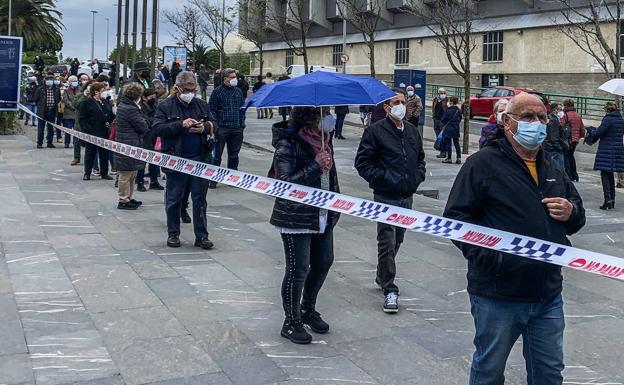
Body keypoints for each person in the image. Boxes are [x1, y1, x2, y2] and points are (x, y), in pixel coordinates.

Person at [444, 93, 586, 385]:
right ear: (507, 122)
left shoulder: (551, 165)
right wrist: (492, 257)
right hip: (497, 293)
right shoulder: (482, 164)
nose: (536, 123)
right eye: (527, 117)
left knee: (549, 371)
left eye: (541, 117)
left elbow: (578, 215)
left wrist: (571, 212)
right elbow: (456, 220)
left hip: (547, 292)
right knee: (489, 371)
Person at [270, 107, 340, 344]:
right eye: (324, 113)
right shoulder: (288, 144)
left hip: (322, 214)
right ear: (309, 117)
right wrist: (315, 165)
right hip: (296, 217)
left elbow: (331, 177)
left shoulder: (325, 140)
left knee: (323, 263)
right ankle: (291, 321)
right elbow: (284, 184)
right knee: (298, 268)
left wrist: (336, 205)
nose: (329, 117)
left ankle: (307, 309)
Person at [354, 88, 426, 313]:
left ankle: (381, 273)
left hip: (407, 195)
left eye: (403, 101)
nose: (401, 106)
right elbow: (363, 163)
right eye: (396, 102)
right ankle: (389, 287)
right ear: (386, 107)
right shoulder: (375, 131)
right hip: (386, 196)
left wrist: (417, 177)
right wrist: (385, 179)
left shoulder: (412, 131)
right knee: (386, 240)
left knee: (398, 240)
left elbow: (420, 159)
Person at [153, 71, 216, 249]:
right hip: (176, 159)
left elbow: (214, 123)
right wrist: (180, 125)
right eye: (187, 89)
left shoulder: (201, 105)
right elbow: (157, 129)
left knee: (200, 199)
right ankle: (173, 234)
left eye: (193, 89)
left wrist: (204, 127)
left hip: (199, 158)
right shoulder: (165, 105)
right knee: (174, 199)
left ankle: (202, 236)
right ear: (178, 88)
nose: (191, 92)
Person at [114, 83, 150, 210]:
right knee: (126, 173)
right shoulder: (131, 109)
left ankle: (128, 197)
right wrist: (145, 120)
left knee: (131, 173)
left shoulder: (124, 105)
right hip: (129, 143)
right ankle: (123, 199)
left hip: (129, 141)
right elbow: (143, 126)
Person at [208, 68, 246, 188]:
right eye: (232, 77)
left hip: (236, 128)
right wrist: (216, 126)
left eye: (235, 77)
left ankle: (232, 178)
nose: (235, 79)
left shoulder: (238, 92)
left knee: (234, 155)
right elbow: (212, 110)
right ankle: (213, 179)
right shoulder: (217, 92)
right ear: (225, 79)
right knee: (216, 155)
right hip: (222, 128)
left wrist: (241, 124)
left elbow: (242, 109)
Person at [591, 102, 624, 210]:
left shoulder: (608, 119)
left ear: (607, 110)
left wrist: (591, 130)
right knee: (610, 174)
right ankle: (612, 200)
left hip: (606, 149)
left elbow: (598, 133)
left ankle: (607, 201)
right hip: (618, 149)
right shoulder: (620, 119)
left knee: (605, 174)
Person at [79, 81, 114, 181]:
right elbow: (82, 118)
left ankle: (104, 172)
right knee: (90, 153)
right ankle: (87, 173)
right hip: (92, 132)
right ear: (96, 92)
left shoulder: (105, 101)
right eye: (103, 90)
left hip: (104, 131)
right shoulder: (87, 102)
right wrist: (87, 129)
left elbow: (110, 115)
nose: (104, 92)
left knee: (104, 153)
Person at [136, 88, 164, 191]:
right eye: (150, 97)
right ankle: (140, 182)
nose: (153, 98)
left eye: (154, 96)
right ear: (144, 98)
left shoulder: (155, 107)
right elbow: (146, 122)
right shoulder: (140, 108)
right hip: (145, 137)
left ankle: (154, 181)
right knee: (142, 161)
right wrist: (155, 121)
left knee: (155, 160)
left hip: (155, 136)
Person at [33, 72, 61, 149]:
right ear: (45, 80)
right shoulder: (40, 89)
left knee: (51, 128)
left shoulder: (57, 90)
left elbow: (58, 100)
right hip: (42, 111)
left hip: (52, 110)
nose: (50, 81)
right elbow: (36, 99)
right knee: (41, 128)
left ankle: (49, 142)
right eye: (48, 79)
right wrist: (40, 107)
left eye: (51, 79)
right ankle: (39, 143)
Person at [560, 99, 585, 182]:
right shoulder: (577, 115)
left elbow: (561, 126)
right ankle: (575, 175)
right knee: (571, 156)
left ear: (565, 105)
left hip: (567, 139)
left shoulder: (565, 115)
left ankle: (569, 175)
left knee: (566, 157)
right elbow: (582, 129)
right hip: (574, 140)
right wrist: (578, 137)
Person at [542, 103, 566, 170]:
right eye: (560, 110)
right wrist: (558, 147)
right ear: (555, 110)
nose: (562, 111)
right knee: (559, 169)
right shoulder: (554, 120)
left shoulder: (551, 118)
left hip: (549, 147)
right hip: (553, 148)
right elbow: (554, 136)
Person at [440, 95, 463, 164]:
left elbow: (443, 119)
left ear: (451, 102)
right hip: (456, 129)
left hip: (448, 129)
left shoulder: (448, 110)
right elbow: (460, 119)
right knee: (456, 144)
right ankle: (458, 158)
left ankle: (449, 158)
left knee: (448, 144)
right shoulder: (458, 110)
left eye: (450, 101)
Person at [61, 76, 80, 149]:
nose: (75, 82)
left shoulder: (80, 90)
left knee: (77, 130)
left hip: (77, 114)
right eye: (73, 81)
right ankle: (67, 142)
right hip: (68, 113)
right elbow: (66, 101)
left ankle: (77, 143)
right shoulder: (66, 91)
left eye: (76, 81)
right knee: (68, 130)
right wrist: (74, 107)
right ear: (70, 82)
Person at [432, 87, 448, 158]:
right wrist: (433, 116)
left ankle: (443, 152)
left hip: (443, 120)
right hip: (436, 119)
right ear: (438, 94)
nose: (443, 94)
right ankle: (441, 150)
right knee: (438, 137)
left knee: (442, 137)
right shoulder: (435, 100)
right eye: (441, 93)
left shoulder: (447, 100)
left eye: (444, 93)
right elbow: (433, 108)